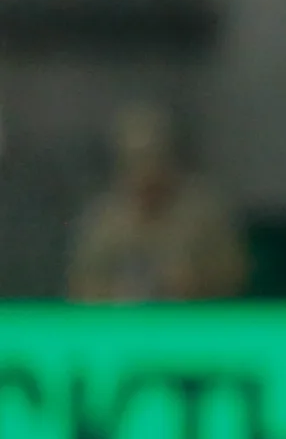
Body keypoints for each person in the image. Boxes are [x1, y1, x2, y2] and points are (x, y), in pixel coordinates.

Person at [65, 103, 246, 302]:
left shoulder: (203, 213)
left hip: (192, 324)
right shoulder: (103, 220)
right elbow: (81, 284)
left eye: (155, 156)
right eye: (136, 158)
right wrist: (114, 292)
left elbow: (233, 275)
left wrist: (196, 281)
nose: (147, 171)